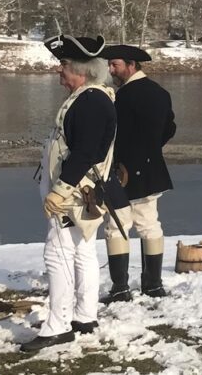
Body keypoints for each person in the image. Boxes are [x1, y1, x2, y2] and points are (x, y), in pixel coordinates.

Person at [22, 35, 133, 352]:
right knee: (83, 251)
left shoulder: (91, 102)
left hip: (73, 195)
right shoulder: (89, 98)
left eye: (64, 64)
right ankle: (84, 316)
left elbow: (85, 153)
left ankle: (58, 326)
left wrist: (59, 191)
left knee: (56, 254)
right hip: (81, 193)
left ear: (81, 69)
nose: (59, 69)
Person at [98, 44, 176, 303]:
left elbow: (113, 134)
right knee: (150, 225)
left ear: (131, 65)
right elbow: (170, 128)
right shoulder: (160, 92)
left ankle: (120, 288)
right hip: (151, 169)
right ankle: (153, 286)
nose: (111, 70)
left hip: (122, 172)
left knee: (116, 226)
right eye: (110, 65)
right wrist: (151, 149)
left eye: (115, 65)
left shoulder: (122, 97)